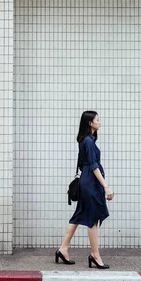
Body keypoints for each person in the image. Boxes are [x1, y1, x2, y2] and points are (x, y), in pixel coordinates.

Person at [55, 110, 114, 269]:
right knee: (93, 218)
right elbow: (93, 166)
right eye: (97, 119)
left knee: (79, 215)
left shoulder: (87, 140)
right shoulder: (88, 141)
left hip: (86, 181)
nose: (100, 122)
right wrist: (105, 186)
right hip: (91, 182)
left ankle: (63, 249)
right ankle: (95, 255)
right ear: (90, 123)